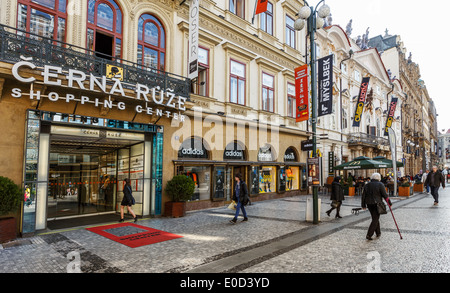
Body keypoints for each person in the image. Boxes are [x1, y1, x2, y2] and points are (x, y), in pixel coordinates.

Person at [361, 173, 392, 241]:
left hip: (369, 204)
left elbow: (363, 195)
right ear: (379, 178)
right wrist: (389, 202)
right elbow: (385, 195)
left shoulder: (367, 185)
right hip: (377, 204)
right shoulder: (380, 184)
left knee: (375, 217)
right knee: (375, 219)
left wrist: (363, 204)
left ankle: (378, 232)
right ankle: (369, 234)